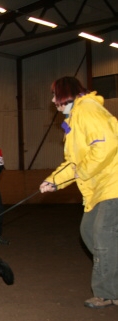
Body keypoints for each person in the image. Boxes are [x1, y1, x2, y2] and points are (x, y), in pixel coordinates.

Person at [39, 76, 118, 309]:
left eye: (55, 95)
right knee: (89, 232)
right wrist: (53, 180)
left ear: (66, 94)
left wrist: (81, 172)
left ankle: (107, 293)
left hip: (112, 184)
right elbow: (73, 161)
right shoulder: (72, 120)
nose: (53, 100)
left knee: (103, 237)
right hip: (97, 188)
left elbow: (106, 145)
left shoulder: (88, 110)